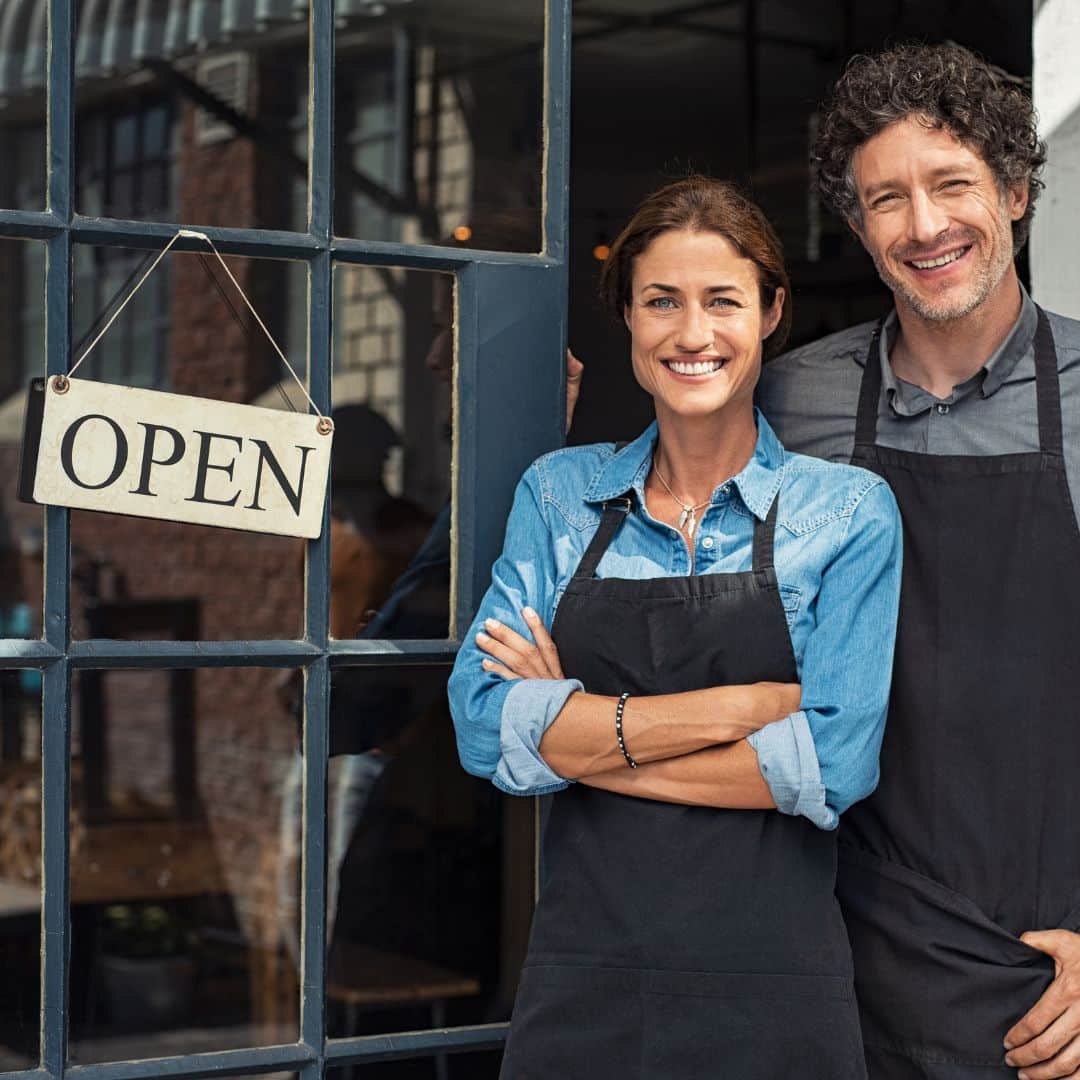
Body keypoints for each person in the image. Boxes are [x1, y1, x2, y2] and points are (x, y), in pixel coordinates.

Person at [448, 176, 903, 1078]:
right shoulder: (560, 495)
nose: (692, 334)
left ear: (772, 312)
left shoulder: (847, 513)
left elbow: (836, 766)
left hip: (776, 995)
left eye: (722, 301)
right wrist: (746, 708)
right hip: (587, 985)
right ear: (626, 318)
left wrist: (580, 739)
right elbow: (478, 723)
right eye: (661, 301)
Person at [757, 41, 1080, 1080]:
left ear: (1018, 192)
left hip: (1041, 963)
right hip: (824, 940)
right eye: (885, 198)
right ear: (856, 226)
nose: (924, 225)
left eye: (952, 184)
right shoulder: (786, 400)